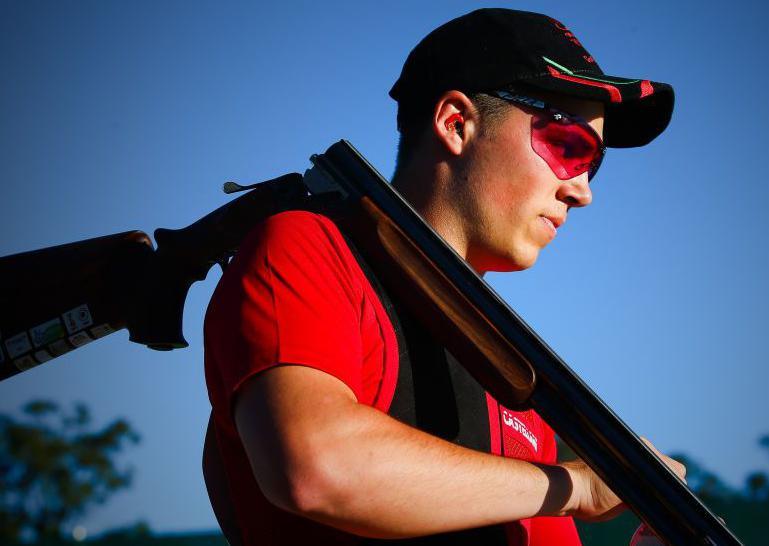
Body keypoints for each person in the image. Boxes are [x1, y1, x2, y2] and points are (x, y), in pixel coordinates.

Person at [203, 8, 683, 546]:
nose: (582, 191)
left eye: (593, 165)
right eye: (569, 148)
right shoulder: (308, 249)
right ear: (456, 123)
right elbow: (317, 469)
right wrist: (571, 485)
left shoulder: (511, 366)